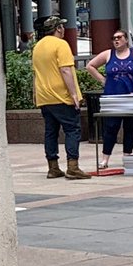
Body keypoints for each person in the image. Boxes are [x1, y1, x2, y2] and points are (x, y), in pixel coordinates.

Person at [32, 15, 91, 179]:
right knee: (72, 129)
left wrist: (36, 94)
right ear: (58, 28)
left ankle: (53, 167)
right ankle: (73, 166)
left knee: (51, 132)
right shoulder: (61, 44)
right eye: (62, 27)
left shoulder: (37, 47)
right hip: (61, 96)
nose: (63, 29)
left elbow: (35, 74)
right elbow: (65, 70)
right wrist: (73, 94)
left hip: (45, 97)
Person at [86, 28, 133, 170]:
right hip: (113, 98)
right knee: (111, 127)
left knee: (130, 128)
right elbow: (90, 66)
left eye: (119, 37)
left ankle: (127, 156)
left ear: (126, 39)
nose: (116, 40)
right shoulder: (108, 54)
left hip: (132, 98)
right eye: (114, 38)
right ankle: (105, 158)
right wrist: (102, 80)